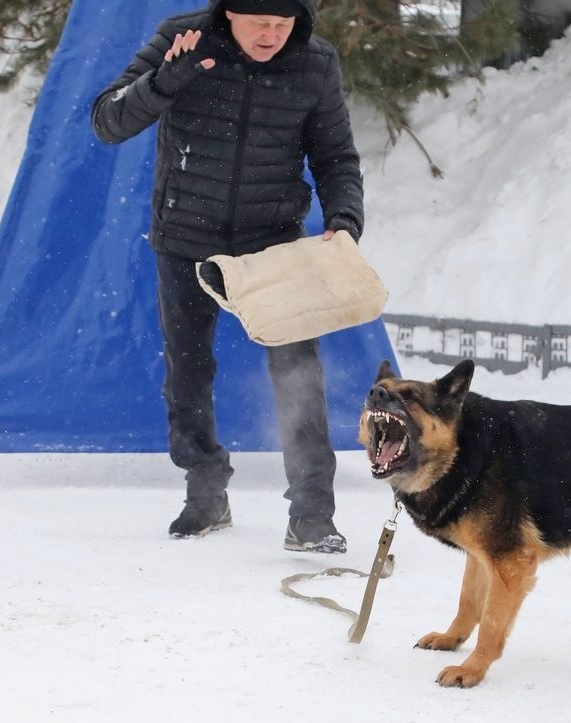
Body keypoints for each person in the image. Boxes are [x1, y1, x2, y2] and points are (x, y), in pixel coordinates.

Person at [90, 0, 364, 553]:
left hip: (272, 244)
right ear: (229, 14)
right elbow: (108, 121)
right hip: (186, 238)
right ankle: (205, 490)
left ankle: (312, 514)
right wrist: (170, 78)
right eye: (260, 22)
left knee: (299, 376)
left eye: (283, 25)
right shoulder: (181, 39)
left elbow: (335, 155)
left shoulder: (315, 62)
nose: (271, 35)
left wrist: (344, 219)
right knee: (188, 372)